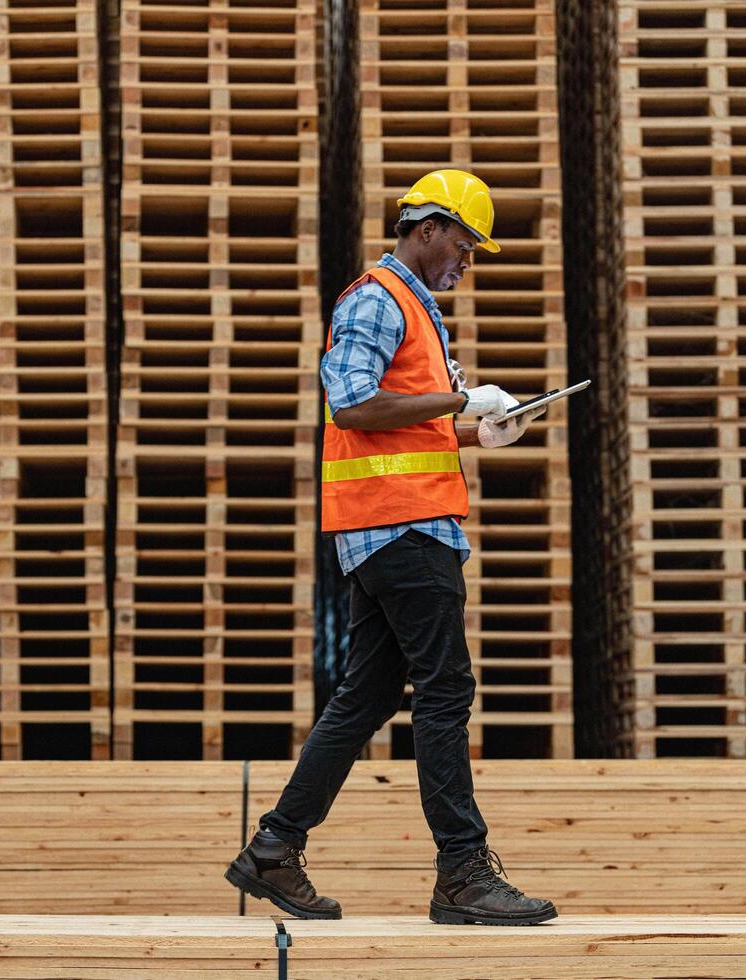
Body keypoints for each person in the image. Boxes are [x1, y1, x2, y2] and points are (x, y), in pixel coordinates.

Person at [224, 169, 558, 926]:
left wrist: (480, 429)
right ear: (429, 227)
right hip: (402, 529)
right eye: (466, 244)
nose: (469, 261)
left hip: (395, 529)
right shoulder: (378, 297)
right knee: (444, 693)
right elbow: (351, 400)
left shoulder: (417, 309)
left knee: (367, 698)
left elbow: (404, 419)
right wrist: (458, 400)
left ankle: (274, 850)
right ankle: (463, 875)